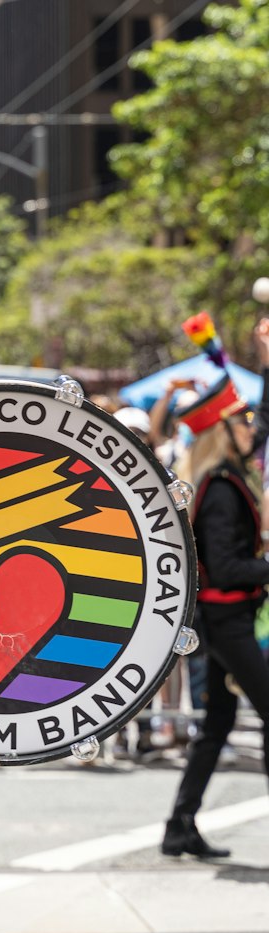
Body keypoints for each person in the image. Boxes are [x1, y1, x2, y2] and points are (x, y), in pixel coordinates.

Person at [162, 320, 269, 858]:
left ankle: (179, 825)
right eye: (242, 421)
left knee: (218, 726)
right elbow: (225, 568)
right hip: (225, 619)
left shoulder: (224, 477)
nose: (252, 428)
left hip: (227, 619)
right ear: (221, 432)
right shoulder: (222, 490)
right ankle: (179, 824)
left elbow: (265, 422)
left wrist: (266, 363)